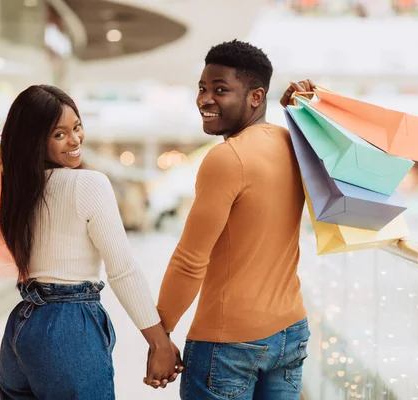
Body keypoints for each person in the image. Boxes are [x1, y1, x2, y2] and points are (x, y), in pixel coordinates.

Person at [153, 40, 316, 399]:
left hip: (229, 345)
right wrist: (303, 110)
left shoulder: (227, 158)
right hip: (290, 331)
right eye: (202, 88)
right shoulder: (294, 143)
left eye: (220, 90)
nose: (204, 99)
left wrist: (159, 335)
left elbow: (189, 261)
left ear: (256, 96)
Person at [0, 84, 181, 399]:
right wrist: (158, 342)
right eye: (59, 134)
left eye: (77, 127)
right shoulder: (88, 183)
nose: (75, 140)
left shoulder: (12, 189)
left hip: (21, 327)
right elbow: (122, 269)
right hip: (70, 327)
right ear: (34, 141)